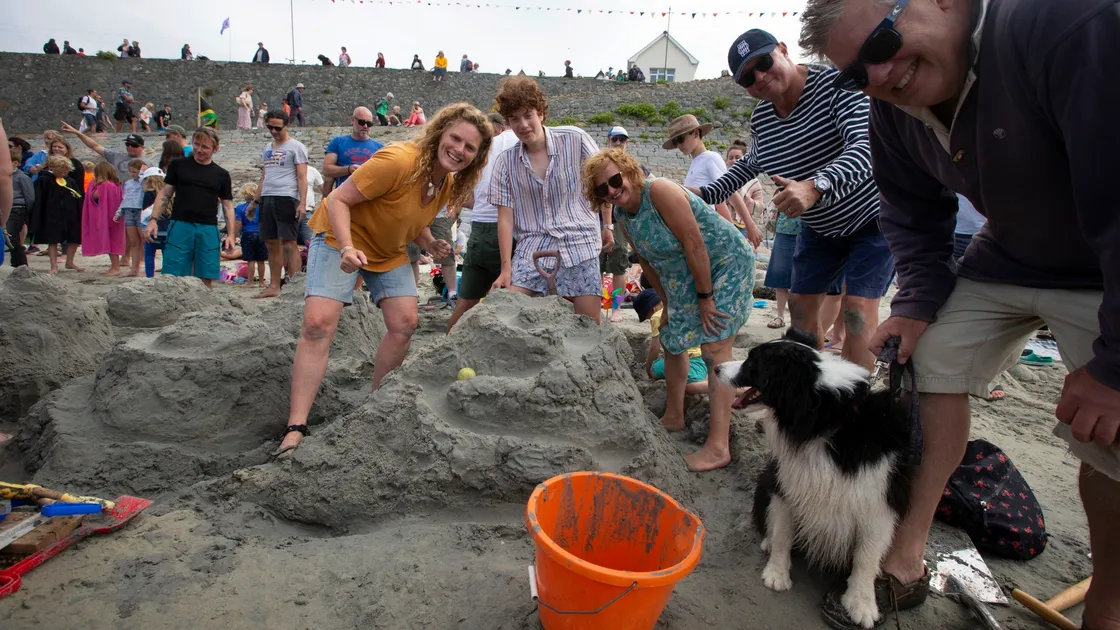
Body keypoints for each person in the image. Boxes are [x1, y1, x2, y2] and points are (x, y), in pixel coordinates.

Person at [800, 1, 1120, 628]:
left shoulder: (1063, 24)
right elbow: (914, 217)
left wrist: (1112, 369)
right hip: (1008, 256)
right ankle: (906, 554)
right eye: (858, 71)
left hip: (1102, 266)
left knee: (1109, 437)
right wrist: (917, 304)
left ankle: (1106, 604)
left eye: (884, 41)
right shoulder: (890, 110)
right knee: (929, 360)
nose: (883, 72)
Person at [275, 102, 493, 456]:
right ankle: (296, 426)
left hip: (386, 250)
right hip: (339, 236)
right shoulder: (399, 160)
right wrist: (346, 248)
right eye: (456, 139)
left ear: (478, 156)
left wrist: (428, 240)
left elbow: (407, 214)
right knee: (318, 324)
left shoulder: (447, 182)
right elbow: (339, 201)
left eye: (471, 148)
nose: (460, 150)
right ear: (439, 133)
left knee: (405, 323)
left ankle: (375, 403)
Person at [694, 29, 890, 373]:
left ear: (783, 49)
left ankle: (855, 400)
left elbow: (867, 147)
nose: (760, 77)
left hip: (871, 216)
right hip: (820, 228)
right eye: (748, 78)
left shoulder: (836, 86)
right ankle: (808, 381)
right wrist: (701, 195)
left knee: (857, 309)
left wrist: (815, 186)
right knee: (799, 308)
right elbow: (750, 165)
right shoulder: (763, 119)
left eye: (764, 63)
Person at [585, 148, 755, 471]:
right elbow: (647, 263)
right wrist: (667, 304)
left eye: (615, 179)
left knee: (715, 346)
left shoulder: (659, 190)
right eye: (601, 188)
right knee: (671, 337)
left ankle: (718, 446)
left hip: (725, 263)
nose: (611, 190)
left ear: (628, 170)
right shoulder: (622, 215)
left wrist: (706, 298)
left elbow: (695, 244)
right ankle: (674, 416)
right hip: (685, 273)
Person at [489, 76, 614, 323]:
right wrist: (506, 270)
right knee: (510, 314)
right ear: (508, 123)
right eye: (515, 119)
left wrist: (607, 226)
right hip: (531, 246)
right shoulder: (505, 162)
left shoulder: (575, 139)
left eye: (528, 115)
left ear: (541, 114)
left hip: (580, 241)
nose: (523, 125)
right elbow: (505, 219)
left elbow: (603, 183)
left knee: (588, 326)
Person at [144, 127, 235, 288]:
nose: (200, 150)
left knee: (206, 274)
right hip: (180, 225)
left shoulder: (221, 174)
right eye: (197, 145)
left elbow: (227, 205)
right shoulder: (178, 165)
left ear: (215, 149)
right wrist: (153, 220)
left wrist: (231, 234)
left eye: (205, 147)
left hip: (208, 228)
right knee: (174, 273)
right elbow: (165, 194)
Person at [666, 114, 763, 246]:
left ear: (695, 133)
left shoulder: (710, 158)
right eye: (675, 142)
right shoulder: (697, 162)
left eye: (681, 139)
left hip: (705, 231)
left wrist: (750, 225)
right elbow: (719, 201)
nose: (679, 145)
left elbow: (730, 191)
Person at [249, 110, 308, 298]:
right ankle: (274, 285)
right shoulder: (268, 147)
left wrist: (302, 203)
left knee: (289, 242)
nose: (273, 131)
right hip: (267, 197)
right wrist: (255, 201)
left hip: (287, 197)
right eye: (270, 127)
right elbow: (265, 175)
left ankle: (294, 284)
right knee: (271, 243)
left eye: (277, 127)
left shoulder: (296, 147)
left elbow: (302, 177)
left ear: (286, 126)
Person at [599, 126, 645, 323]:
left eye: (622, 140)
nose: (618, 143)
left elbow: (647, 184)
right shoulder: (600, 165)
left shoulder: (633, 166)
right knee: (596, 265)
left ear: (627, 142)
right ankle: (602, 304)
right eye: (615, 139)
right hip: (598, 221)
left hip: (622, 220)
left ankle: (615, 307)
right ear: (608, 141)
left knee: (618, 265)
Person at [635, 289, 710, 394]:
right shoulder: (677, 308)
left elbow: (654, 348)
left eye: (647, 317)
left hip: (689, 363)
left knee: (655, 368)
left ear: (653, 309)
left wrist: (648, 368)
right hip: (700, 360)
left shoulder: (657, 316)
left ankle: (721, 387)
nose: (649, 320)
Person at [30, 155, 84, 274]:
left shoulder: (70, 181)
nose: (64, 172)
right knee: (52, 240)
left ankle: (70, 262)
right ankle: (53, 266)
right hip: (51, 215)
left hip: (71, 214)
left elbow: (78, 197)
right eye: (61, 170)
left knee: (74, 238)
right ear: (53, 168)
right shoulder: (44, 180)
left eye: (66, 170)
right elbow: (39, 200)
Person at [323, 107, 384, 195]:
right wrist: (348, 169)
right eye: (361, 122)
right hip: (343, 198)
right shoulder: (338, 142)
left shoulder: (380, 148)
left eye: (369, 124)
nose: (365, 126)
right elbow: (327, 170)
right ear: (352, 120)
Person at [61, 122, 149, 180]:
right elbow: (95, 146)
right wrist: (77, 132)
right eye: (127, 144)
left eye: (134, 145)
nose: (130, 147)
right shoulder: (116, 156)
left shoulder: (149, 162)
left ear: (142, 147)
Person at [83, 162, 125, 275]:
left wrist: (94, 185)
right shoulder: (116, 184)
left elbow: (94, 197)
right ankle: (115, 267)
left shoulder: (104, 185)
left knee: (111, 242)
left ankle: (115, 268)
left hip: (106, 218)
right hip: (116, 217)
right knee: (115, 240)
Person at [6, 135, 32, 268]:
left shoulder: (22, 177)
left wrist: (27, 213)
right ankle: (15, 262)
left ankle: (21, 264)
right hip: (6, 209)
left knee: (12, 237)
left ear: (15, 163)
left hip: (18, 208)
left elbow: (29, 196)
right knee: (9, 238)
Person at [234, 183, 267, 287]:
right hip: (262, 233)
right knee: (261, 260)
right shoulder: (262, 207)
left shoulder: (240, 208)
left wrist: (234, 235)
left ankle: (250, 282)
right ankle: (261, 282)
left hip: (248, 234)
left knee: (250, 260)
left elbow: (238, 223)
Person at [139, 166, 167, 278]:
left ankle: (149, 277)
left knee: (149, 254)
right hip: (167, 230)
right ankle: (166, 277)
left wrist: (143, 229)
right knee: (167, 255)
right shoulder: (169, 194)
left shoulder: (149, 193)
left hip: (152, 230)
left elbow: (144, 213)